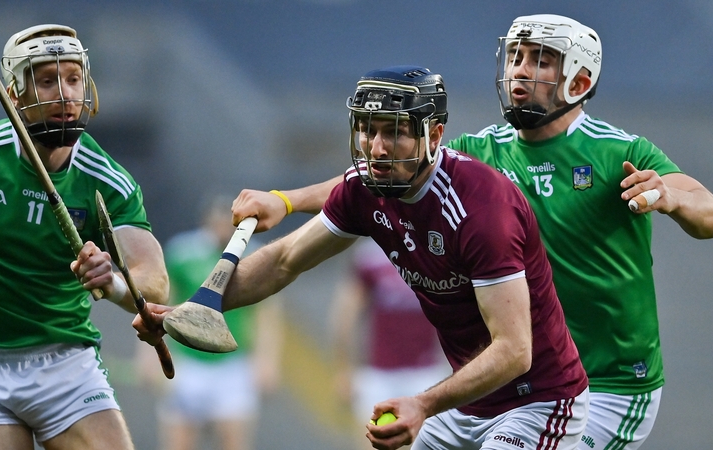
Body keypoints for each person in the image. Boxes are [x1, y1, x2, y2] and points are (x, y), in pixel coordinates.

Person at [229, 14, 713, 450]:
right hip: (516, 383)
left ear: (578, 79)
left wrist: (670, 196)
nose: (520, 71)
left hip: (612, 383)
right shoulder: (480, 151)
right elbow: (377, 175)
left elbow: (711, 215)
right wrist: (288, 200)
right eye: (515, 56)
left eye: (540, 60)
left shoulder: (621, 152)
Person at [136, 66, 590, 450]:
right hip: (470, 403)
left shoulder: (482, 209)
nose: (375, 147)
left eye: (393, 132)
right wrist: (188, 311)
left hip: (539, 400)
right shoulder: (368, 189)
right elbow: (283, 262)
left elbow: (513, 351)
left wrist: (423, 403)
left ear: (434, 134)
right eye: (368, 130)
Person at [0, 24, 168, 450]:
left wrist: (113, 280)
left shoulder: (109, 181)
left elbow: (153, 281)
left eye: (73, 78)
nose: (65, 94)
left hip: (64, 363)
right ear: (14, 94)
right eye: (46, 80)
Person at [136, 195, 281, 450]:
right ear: (206, 223)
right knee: (179, 441)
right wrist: (149, 356)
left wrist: (267, 360)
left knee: (233, 440)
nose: (222, 230)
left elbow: (266, 313)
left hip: (233, 366)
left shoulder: (255, 256)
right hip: (188, 363)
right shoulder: (182, 253)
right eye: (217, 224)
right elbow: (157, 306)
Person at [328, 237, 449, 449]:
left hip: (426, 376)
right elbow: (346, 315)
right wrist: (343, 370)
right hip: (378, 375)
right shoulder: (370, 256)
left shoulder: (438, 247)